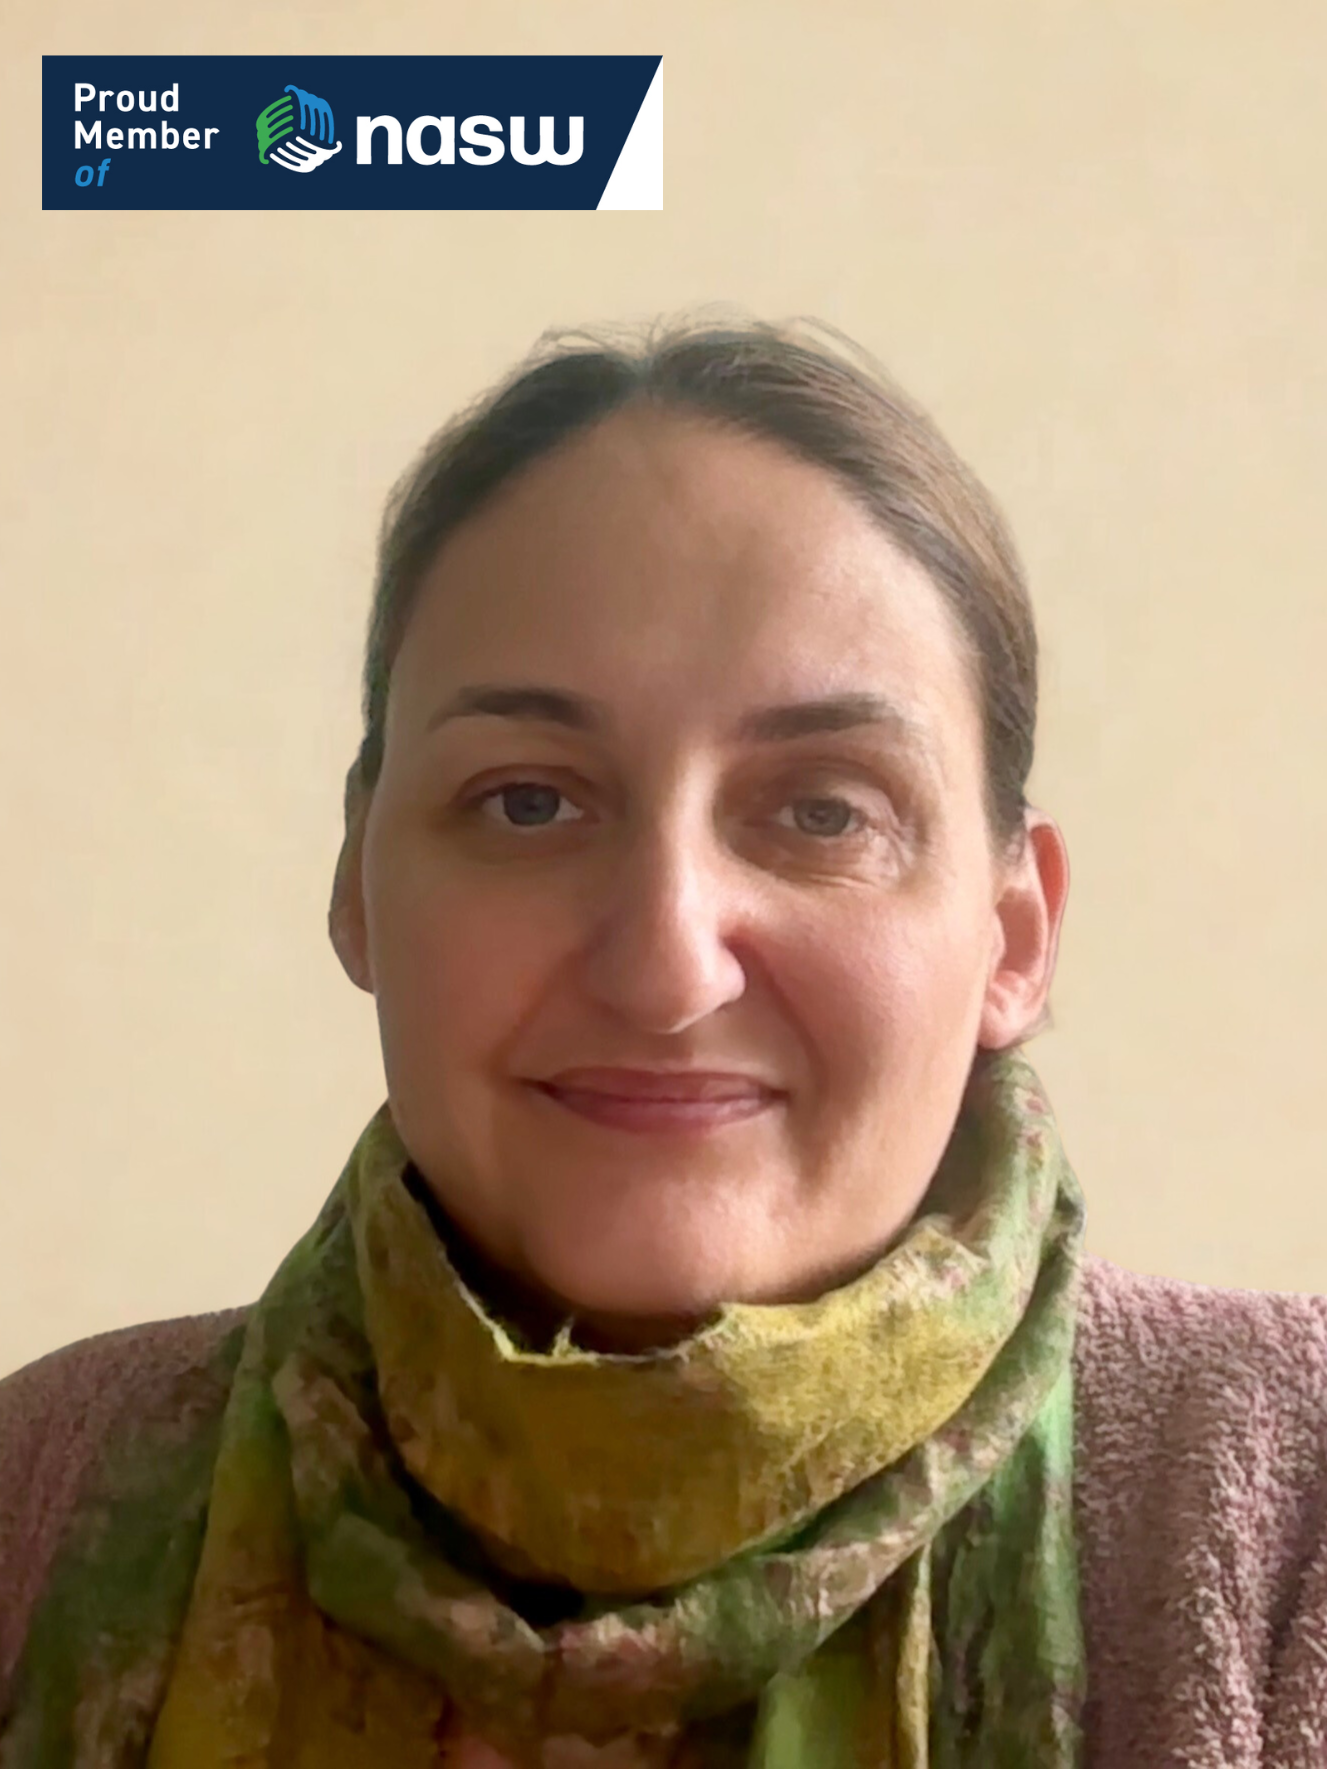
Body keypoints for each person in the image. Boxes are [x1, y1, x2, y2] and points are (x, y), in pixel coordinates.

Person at [1, 317, 1324, 1769]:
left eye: (823, 811)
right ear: (353, 887)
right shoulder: (40, 1492)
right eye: (526, 802)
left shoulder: (1285, 1509)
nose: (662, 965)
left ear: (1011, 939)